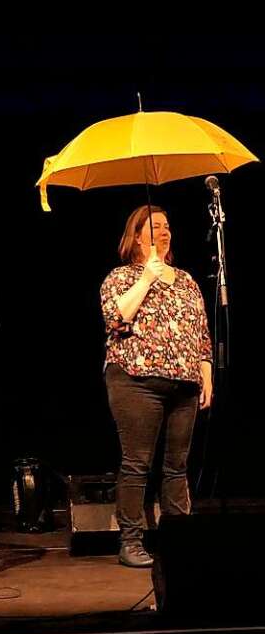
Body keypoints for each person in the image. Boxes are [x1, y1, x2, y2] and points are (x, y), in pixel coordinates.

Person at [100, 205, 213, 568]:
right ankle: (131, 541)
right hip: (136, 380)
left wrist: (206, 376)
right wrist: (146, 279)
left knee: (177, 467)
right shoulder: (120, 278)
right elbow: (117, 319)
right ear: (135, 237)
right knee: (137, 464)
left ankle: (178, 538)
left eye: (167, 226)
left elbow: (202, 336)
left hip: (185, 384)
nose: (164, 232)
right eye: (154, 228)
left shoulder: (186, 280)